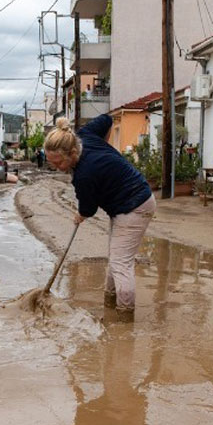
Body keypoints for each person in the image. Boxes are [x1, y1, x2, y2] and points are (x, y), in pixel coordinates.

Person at [44, 115, 156, 321]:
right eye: (51, 163)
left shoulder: (84, 175)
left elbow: (89, 208)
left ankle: (124, 319)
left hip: (135, 206)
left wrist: (80, 215)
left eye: (58, 162)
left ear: (73, 152)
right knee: (116, 258)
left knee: (121, 263)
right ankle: (110, 304)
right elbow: (106, 119)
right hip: (126, 203)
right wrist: (106, 150)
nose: (56, 167)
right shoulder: (84, 135)